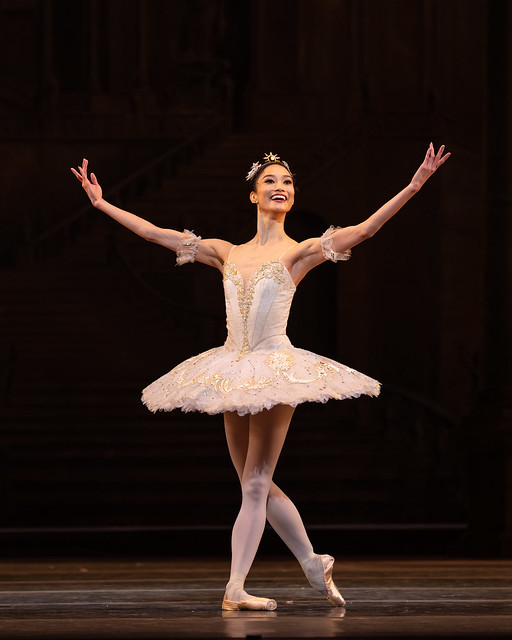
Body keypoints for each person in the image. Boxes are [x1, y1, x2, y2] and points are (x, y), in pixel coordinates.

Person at [71, 144, 450, 611]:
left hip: (273, 367)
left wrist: (413, 186)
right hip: (232, 367)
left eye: (288, 182)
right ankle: (313, 562)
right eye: (271, 181)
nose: (281, 188)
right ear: (253, 195)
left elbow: (365, 230)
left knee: (254, 483)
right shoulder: (226, 253)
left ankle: (235, 588)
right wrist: (102, 203)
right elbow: (155, 234)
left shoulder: (300, 253)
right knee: (256, 484)